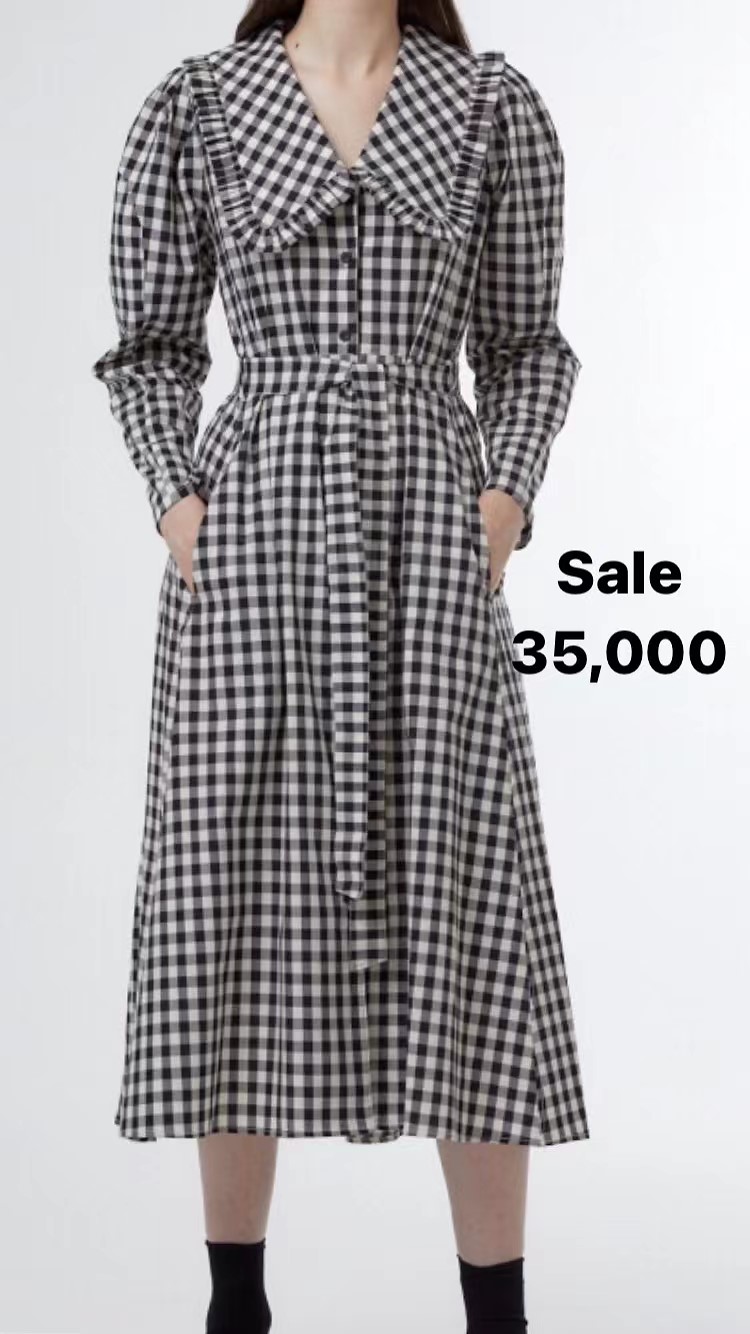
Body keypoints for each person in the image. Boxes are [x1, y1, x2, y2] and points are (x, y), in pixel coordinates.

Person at [91, 1, 589, 1330]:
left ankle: (498, 1317)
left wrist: (503, 501)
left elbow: (525, 349)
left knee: (469, 906)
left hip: (430, 540)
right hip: (251, 544)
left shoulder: (489, 107)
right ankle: (235, 1309)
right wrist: (178, 505)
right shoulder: (200, 104)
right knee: (230, 900)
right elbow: (151, 351)